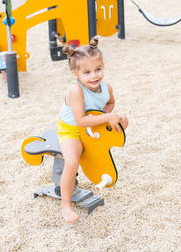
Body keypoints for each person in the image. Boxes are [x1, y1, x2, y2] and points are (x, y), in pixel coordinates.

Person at [57, 36, 128, 223]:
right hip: (71, 130)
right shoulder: (76, 90)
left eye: (98, 70)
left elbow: (110, 102)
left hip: (91, 126)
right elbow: (80, 120)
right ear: (75, 74)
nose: (94, 76)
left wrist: (106, 117)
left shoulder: (106, 87)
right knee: (72, 162)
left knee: (123, 121)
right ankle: (65, 205)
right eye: (87, 72)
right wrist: (106, 117)